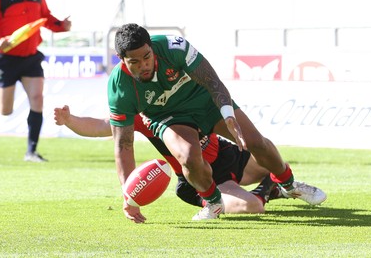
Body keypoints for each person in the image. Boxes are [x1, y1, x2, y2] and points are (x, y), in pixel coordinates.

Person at [107, 23, 325, 222]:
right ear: (121, 58)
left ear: (152, 48)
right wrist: (130, 197)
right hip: (170, 118)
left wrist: (228, 115)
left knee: (256, 142)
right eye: (134, 62)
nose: (144, 65)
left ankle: (288, 185)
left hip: (206, 101)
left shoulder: (174, 47)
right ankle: (213, 203)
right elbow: (123, 145)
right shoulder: (119, 88)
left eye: (147, 57)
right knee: (188, 156)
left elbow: (213, 82)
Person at [54, 105, 326, 216]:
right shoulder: (142, 114)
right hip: (200, 178)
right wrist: (70, 121)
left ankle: (279, 184)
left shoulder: (187, 94)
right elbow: (103, 126)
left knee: (267, 153)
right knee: (253, 207)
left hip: (228, 156)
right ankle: (270, 189)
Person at [0, 0, 71, 162]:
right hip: (5, 59)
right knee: (5, 110)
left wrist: (61, 26)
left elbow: (44, 17)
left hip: (31, 57)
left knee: (37, 99)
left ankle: (31, 152)